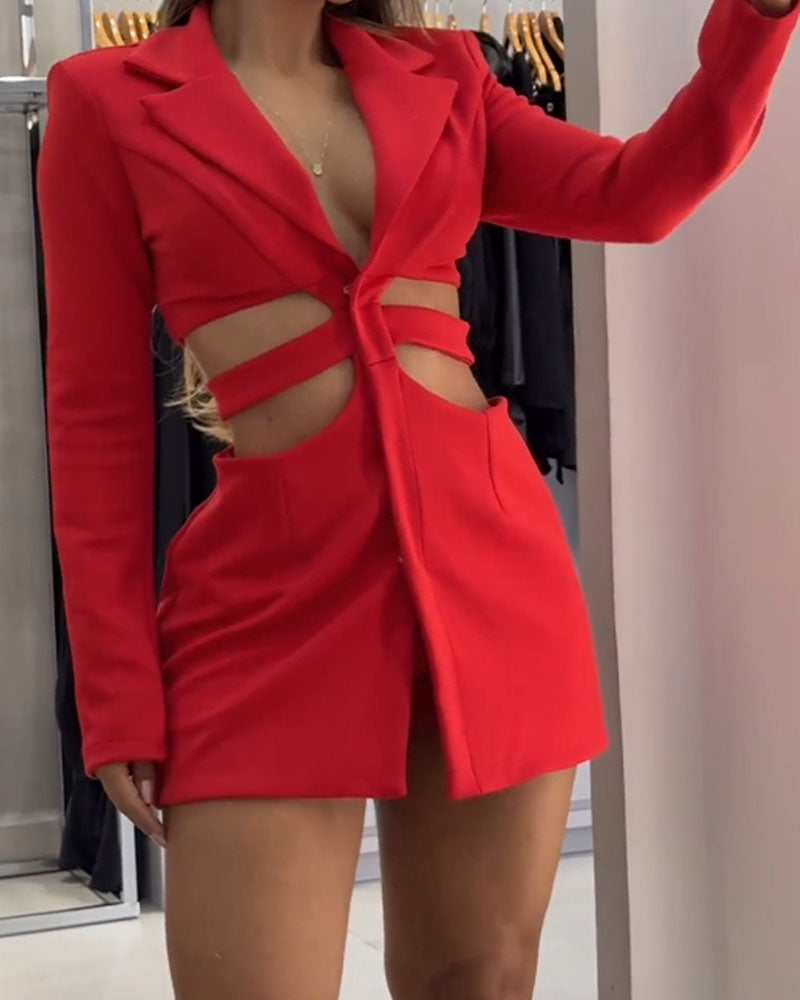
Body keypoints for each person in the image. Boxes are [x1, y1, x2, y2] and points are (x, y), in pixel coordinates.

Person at [37, 0, 798, 997]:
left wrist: (758, 18)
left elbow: (636, 193)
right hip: (265, 601)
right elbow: (93, 420)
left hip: (493, 576)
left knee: (476, 982)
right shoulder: (107, 100)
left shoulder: (446, 73)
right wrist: (117, 695)